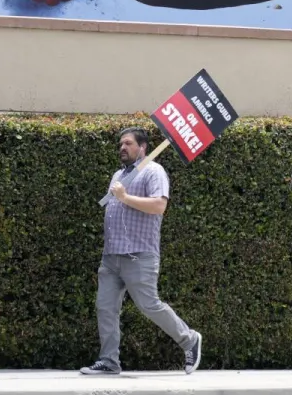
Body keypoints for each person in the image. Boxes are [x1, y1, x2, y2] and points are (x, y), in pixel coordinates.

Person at [80, 127, 202, 375]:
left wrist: (124, 197)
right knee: (105, 307)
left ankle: (189, 339)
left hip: (139, 255)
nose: (122, 148)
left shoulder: (153, 171)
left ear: (142, 147)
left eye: (128, 143)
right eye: (120, 144)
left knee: (149, 305)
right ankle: (109, 361)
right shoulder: (118, 174)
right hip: (112, 256)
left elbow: (159, 206)